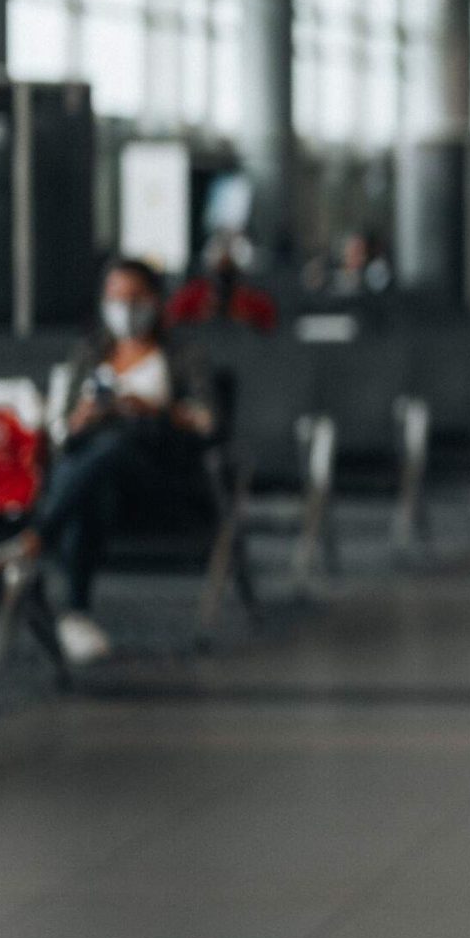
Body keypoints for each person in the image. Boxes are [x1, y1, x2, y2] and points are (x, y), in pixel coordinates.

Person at [33, 259, 218, 665]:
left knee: (112, 449)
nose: (126, 307)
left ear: (156, 300)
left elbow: (207, 422)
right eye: (116, 298)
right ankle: (76, 613)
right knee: (92, 469)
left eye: (136, 298)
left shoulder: (183, 354)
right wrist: (85, 416)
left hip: (159, 476)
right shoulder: (90, 353)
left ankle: (38, 535)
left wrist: (153, 409)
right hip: (99, 480)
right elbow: (63, 429)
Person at [167, 231, 279, 333]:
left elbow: (271, 330)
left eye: (230, 267)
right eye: (221, 267)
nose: (225, 274)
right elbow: (172, 322)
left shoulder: (254, 300)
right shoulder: (192, 295)